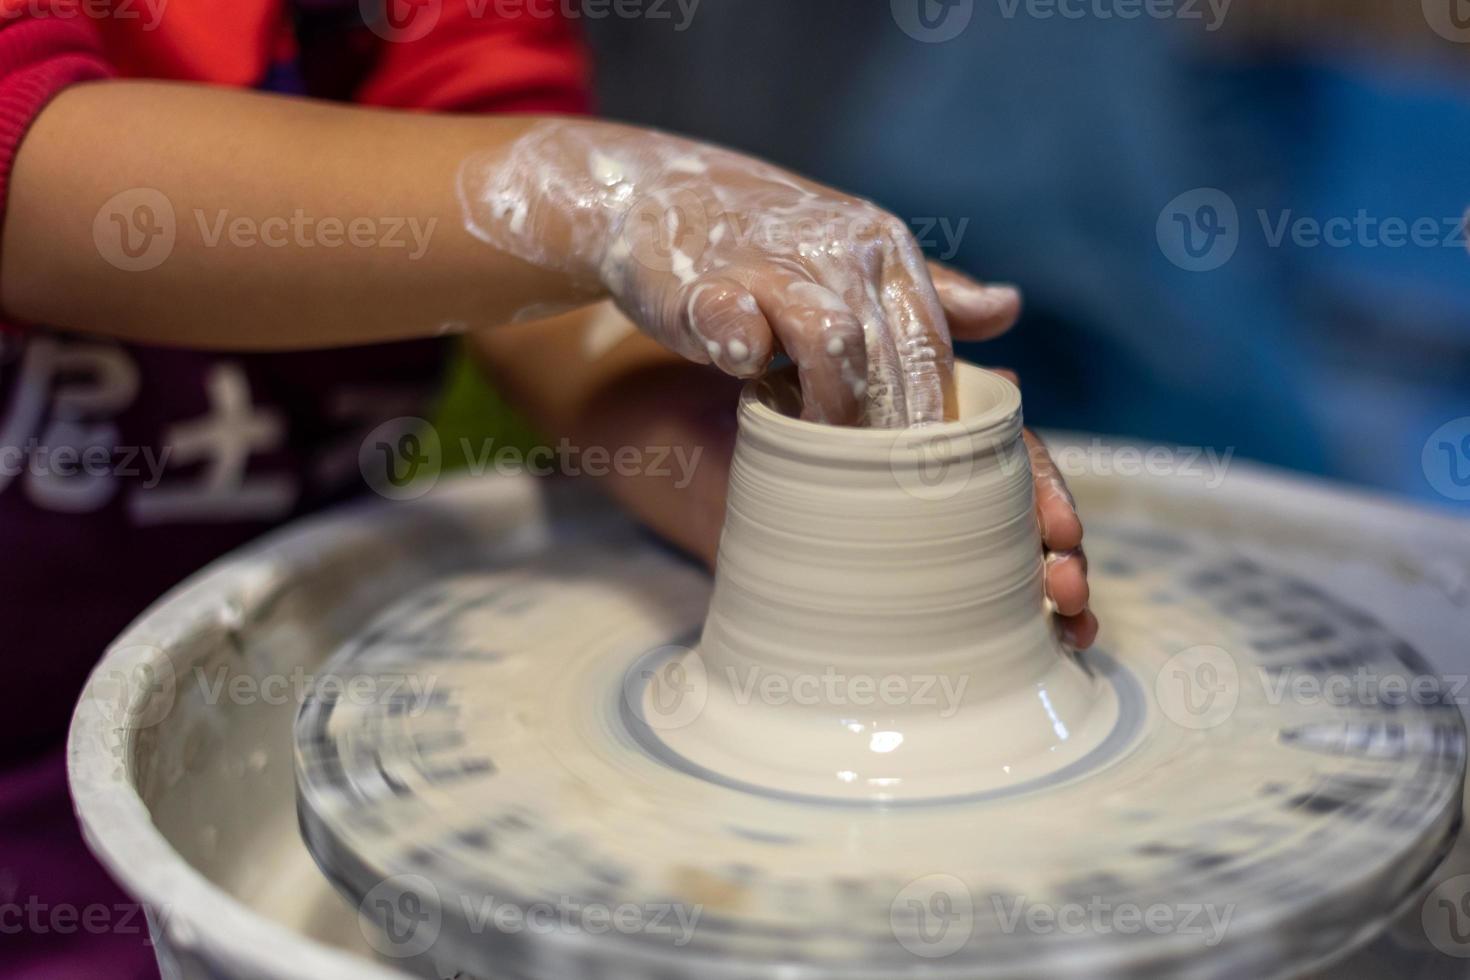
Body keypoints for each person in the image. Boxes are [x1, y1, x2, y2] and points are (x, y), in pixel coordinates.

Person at [0, 3, 1093, 975]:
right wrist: (599, 193)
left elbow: (537, 287)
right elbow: (33, 182)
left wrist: (777, 487)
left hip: (266, 705)